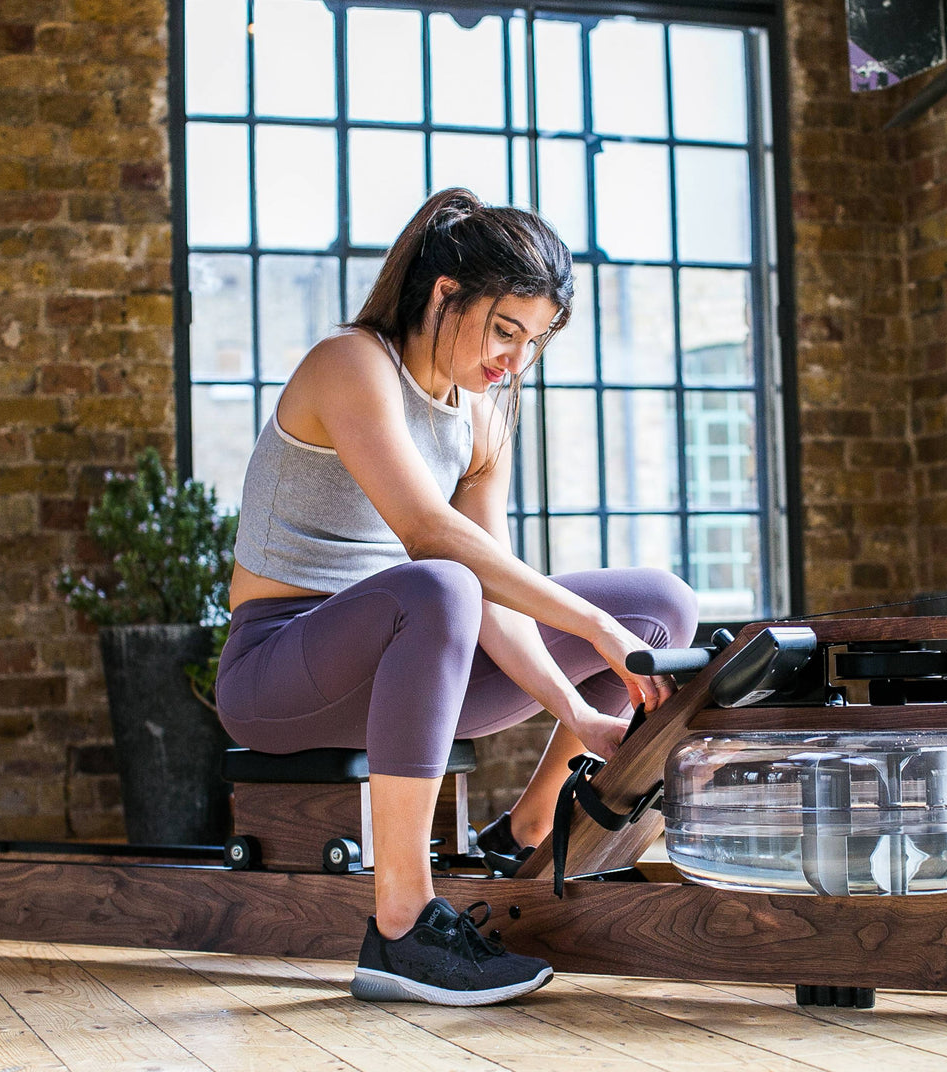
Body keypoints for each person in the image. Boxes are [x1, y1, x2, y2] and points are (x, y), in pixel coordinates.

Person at [214, 187, 699, 1007]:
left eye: (534, 342)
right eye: (505, 330)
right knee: (442, 585)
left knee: (659, 605)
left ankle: (531, 831)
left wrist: (573, 713)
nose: (515, 361)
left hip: (420, 662)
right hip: (279, 671)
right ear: (445, 294)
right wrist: (590, 625)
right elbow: (431, 537)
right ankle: (401, 928)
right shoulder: (351, 363)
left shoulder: (481, 417)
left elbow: (494, 596)